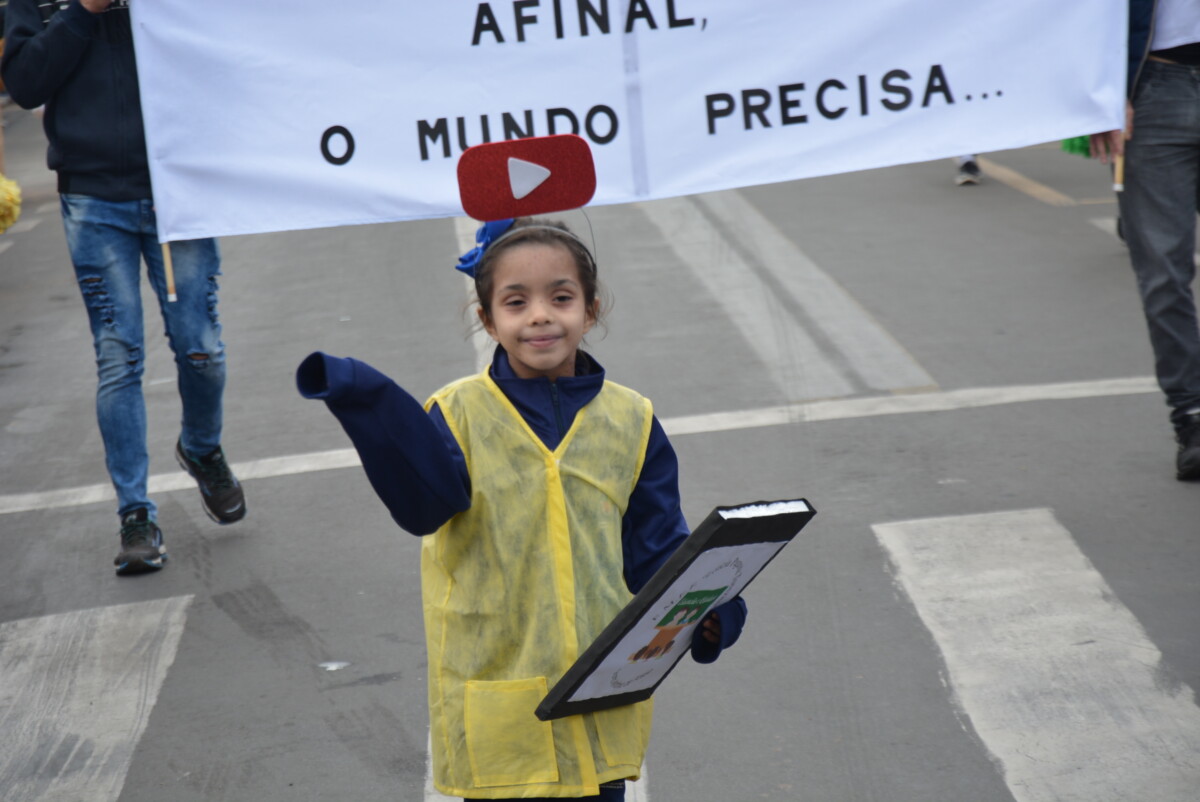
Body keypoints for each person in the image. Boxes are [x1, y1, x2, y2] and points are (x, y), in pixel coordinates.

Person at [296, 218, 748, 801]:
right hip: (501, 708)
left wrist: (714, 607)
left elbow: (658, 552)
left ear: (591, 309)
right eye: (516, 302)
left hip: (598, 698)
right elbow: (420, 509)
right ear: (488, 320)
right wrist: (361, 393)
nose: (539, 316)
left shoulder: (632, 419)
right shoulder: (456, 414)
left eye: (560, 297)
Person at [1, 0, 246, 575]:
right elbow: (26, 84)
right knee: (119, 355)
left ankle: (201, 447)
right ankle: (135, 515)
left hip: (178, 192)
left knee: (201, 348)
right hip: (92, 197)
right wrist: (84, 10)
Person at [1090, 0, 1200, 481]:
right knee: (1163, 274)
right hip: (1156, 85)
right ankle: (1193, 417)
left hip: (1157, 90)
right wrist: (1101, 93)